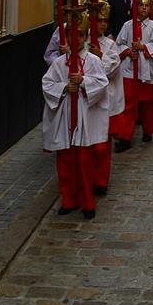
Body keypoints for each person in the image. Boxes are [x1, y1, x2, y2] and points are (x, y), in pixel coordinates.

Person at [41, 11, 109, 219]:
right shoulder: (59, 63)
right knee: (65, 163)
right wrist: (64, 88)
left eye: (80, 35)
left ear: (86, 36)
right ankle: (68, 199)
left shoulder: (93, 61)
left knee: (83, 163)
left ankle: (87, 202)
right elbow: (47, 84)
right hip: (65, 118)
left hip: (84, 117)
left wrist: (84, 82)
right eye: (71, 35)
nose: (76, 39)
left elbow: (101, 83)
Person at [114, 0, 153, 152]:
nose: (143, 8)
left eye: (146, 5)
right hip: (129, 70)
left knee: (146, 104)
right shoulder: (128, 25)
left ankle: (148, 130)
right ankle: (125, 137)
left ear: (150, 8)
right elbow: (119, 43)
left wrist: (143, 47)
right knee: (128, 104)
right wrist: (128, 51)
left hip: (145, 71)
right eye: (140, 5)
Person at [88, 0, 123, 195]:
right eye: (98, 20)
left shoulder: (109, 44)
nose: (102, 24)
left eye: (105, 21)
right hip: (86, 100)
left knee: (101, 144)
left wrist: (99, 57)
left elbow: (111, 67)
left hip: (103, 100)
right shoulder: (80, 41)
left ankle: (101, 180)